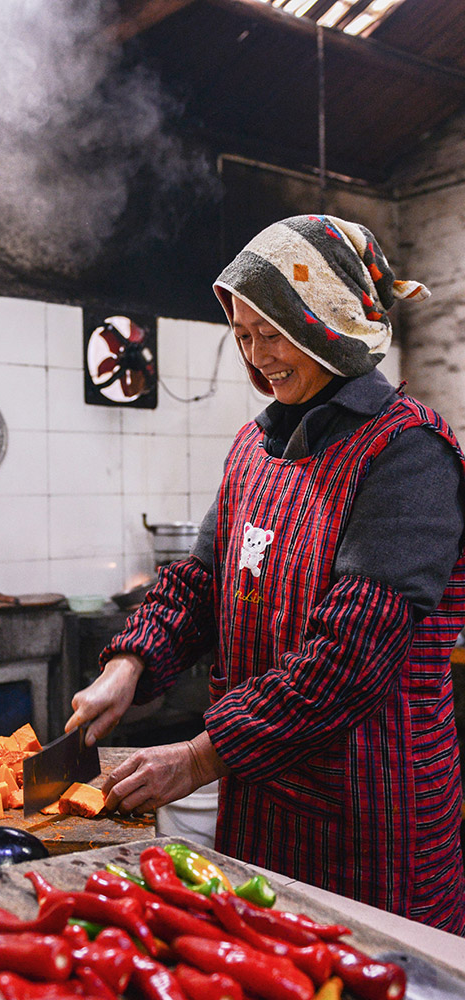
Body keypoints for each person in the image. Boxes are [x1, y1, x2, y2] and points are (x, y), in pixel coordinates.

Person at [66, 214, 465, 934]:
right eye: (244, 333)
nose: (259, 355)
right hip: (260, 801)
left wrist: (195, 758)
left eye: (274, 330)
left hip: (371, 818)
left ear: (330, 320)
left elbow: (349, 663)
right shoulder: (255, 447)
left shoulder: (409, 457)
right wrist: (128, 664)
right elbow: (200, 583)